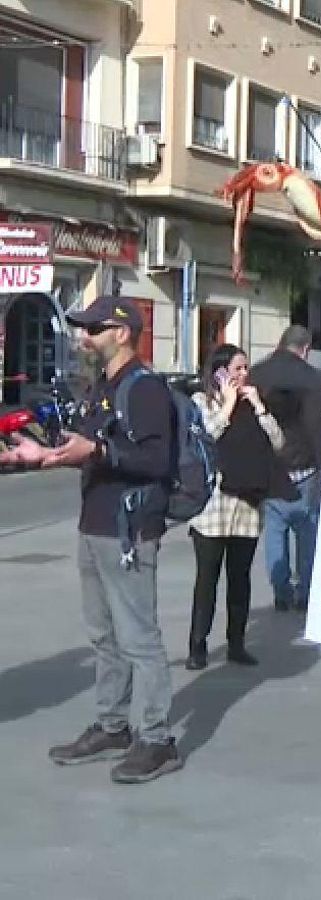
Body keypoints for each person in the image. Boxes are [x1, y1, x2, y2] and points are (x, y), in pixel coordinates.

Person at [0, 297, 182, 784]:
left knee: (139, 638)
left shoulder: (145, 388)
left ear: (121, 333)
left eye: (93, 329)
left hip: (128, 532)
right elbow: (83, 450)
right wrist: (42, 455)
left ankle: (157, 739)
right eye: (81, 328)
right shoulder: (104, 387)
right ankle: (112, 725)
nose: (83, 337)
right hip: (94, 525)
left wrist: (98, 449)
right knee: (104, 636)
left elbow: (156, 462)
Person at [186, 343, 294, 670]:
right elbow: (207, 436)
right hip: (213, 510)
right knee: (207, 581)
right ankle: (197, 645)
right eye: (237, 368)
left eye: (246, 368)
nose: (244, 374)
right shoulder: (202, 402)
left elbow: (279, 443)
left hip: (247, 508)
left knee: (240, 579)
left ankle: (237, 643)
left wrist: (259, 407)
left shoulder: (254, 405)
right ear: (220, 372)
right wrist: (229, 403)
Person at [250, 325, 321, 613]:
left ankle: (281, 590)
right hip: (305, 465)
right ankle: (305, 592)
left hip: (270, 464)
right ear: (305, 349)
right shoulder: (312, 378)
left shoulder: (257, 373)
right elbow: (317, 426)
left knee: (275, 528)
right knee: (306, 529)